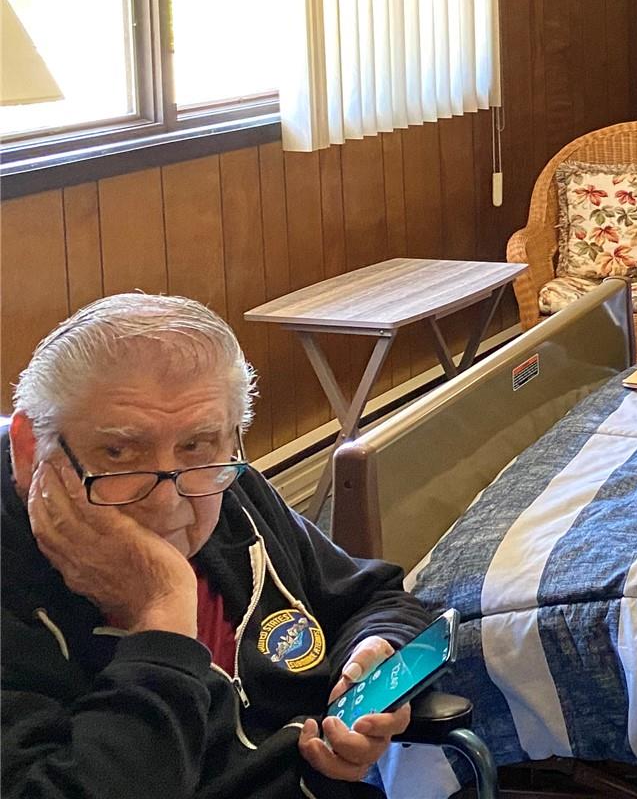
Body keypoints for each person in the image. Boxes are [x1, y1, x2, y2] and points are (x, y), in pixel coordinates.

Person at [3, 294, 433, 798]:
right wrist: (161, 617)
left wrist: (373, 653)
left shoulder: (224, 486)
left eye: (196, 444)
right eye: (118, 452)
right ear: (30, 449)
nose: (168, 502)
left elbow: (373, 598)